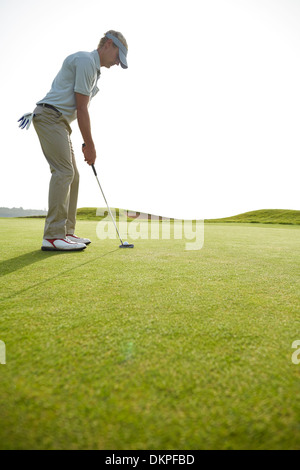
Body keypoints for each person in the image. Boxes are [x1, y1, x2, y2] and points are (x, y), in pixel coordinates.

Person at [21, 30, 128, 252]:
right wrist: (90, 145)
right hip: (50, 117)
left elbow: (80, 109)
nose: (118, 63)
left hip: (60, 123)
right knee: (64, 172)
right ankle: (52, 236)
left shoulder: (93, 69)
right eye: (118, 56)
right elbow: (81, 109)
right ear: (109, 44)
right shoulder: (87, 61)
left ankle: (66, 232)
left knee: (74, 176)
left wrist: (85, 142)